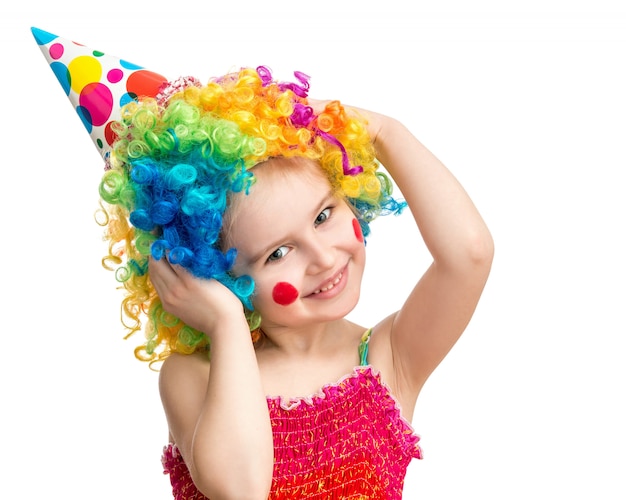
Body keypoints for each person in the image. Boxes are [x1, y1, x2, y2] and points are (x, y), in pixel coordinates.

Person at [35, 29, 493, 498]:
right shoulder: (195, 375)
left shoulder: (386, 358)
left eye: (323, 215)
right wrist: (226, 323)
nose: (322, 257)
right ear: (216, 274)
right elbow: (241, 488)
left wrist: (383, 131)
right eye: (278, 253)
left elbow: (469, 256)